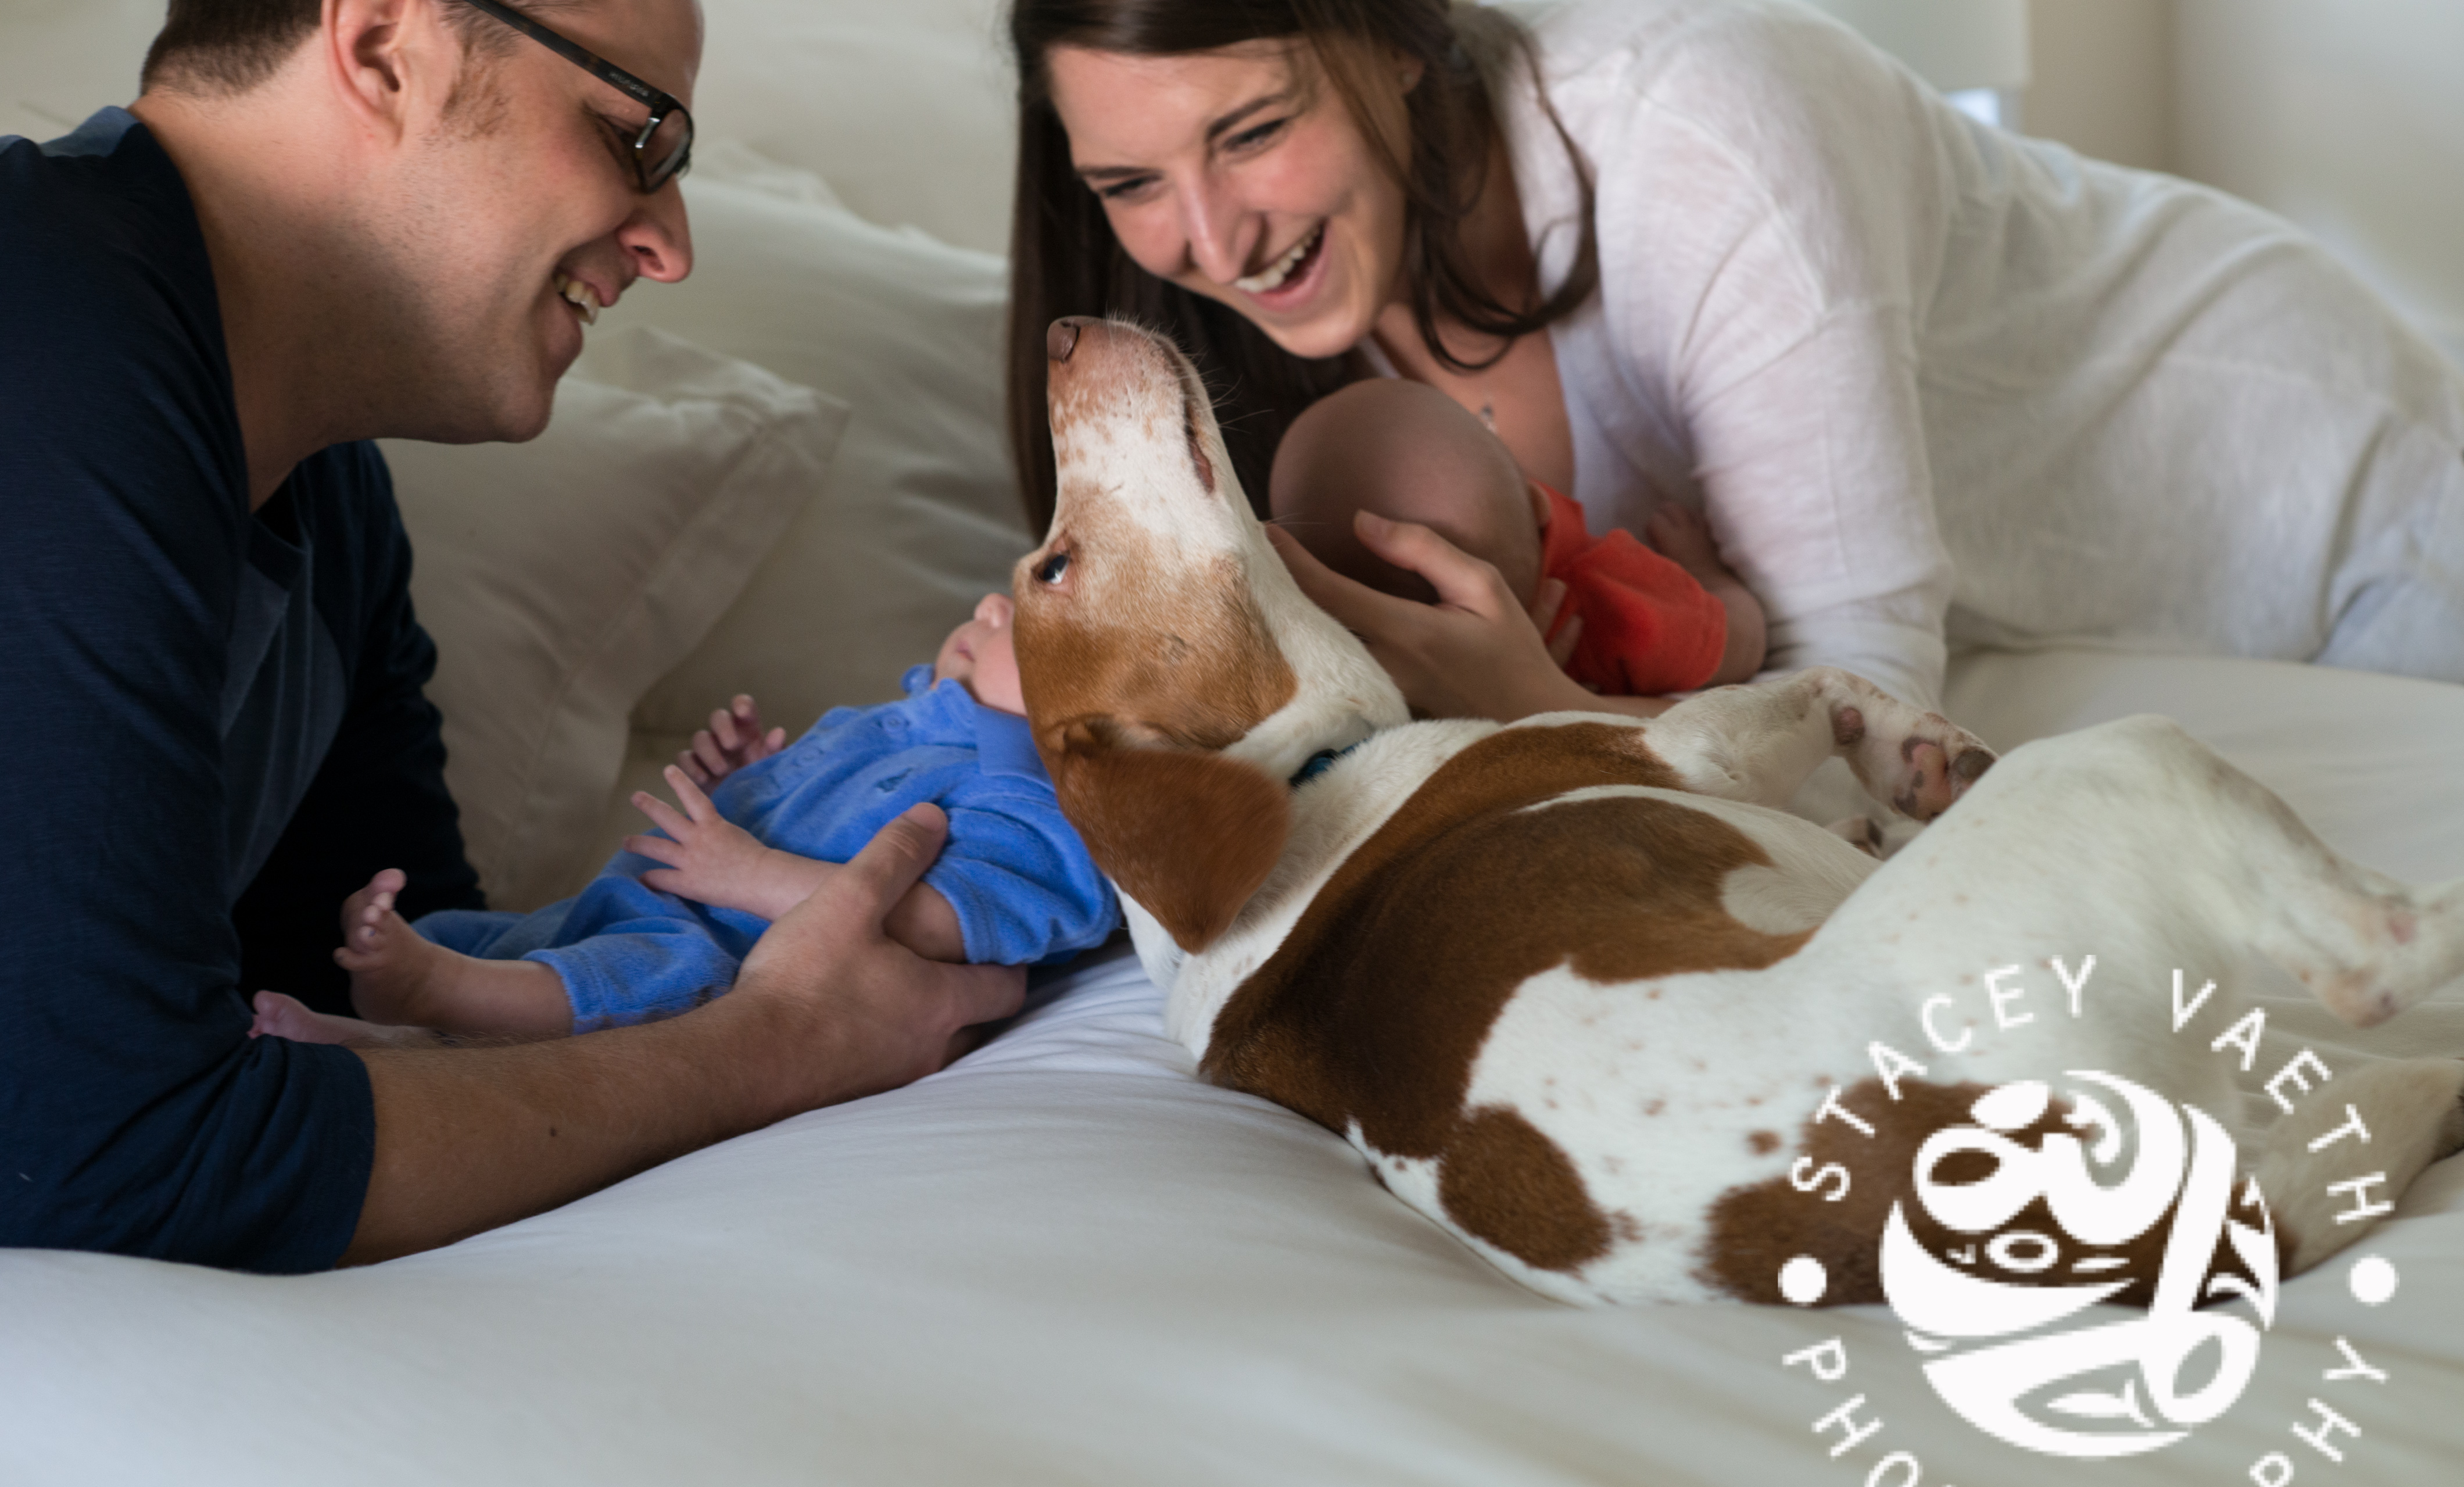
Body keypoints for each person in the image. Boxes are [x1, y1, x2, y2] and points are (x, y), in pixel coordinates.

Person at [0, 0, 1021, 1274]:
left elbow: (397, 1006)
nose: (668, 245)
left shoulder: (325, 496)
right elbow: (111, 1154)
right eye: (635, 135)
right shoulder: (42, 322)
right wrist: (778, 1047)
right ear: (386, 50)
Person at [1002, 0, 2464, 720]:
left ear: (1394, 36)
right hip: (2057, 617)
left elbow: (1873, 715)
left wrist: (1546, 716)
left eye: (1254, 131)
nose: (1213, 240)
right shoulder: (1231, 342)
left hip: (2327, 496)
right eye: (1129, 182)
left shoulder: (1706, 135)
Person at [252, 594, 1118, 1045]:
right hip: (648, 902)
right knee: (506, 940)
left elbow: (940, 923)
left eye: (1035, 608)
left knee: (628, 978)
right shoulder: (908, 727)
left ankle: (436, 995)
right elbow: (819, 821)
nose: (992, 607)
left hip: (728, 960)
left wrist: (749, 873)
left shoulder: (1042, 807)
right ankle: (377, 1036)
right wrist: (745, 783)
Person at [1270, 377, 1767, 703]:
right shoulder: (1613, 596)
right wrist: (1707, 574)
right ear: (1538, 502)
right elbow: (1743, 648)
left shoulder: (1384, 688)